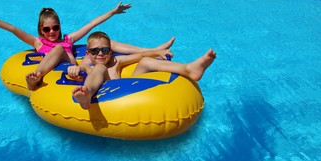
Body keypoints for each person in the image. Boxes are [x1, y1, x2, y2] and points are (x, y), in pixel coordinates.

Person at [0, 2, 175, 90]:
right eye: (47, 29)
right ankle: (36, 77)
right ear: (41, 30)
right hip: (56, 68)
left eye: (55, 28)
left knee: (106, 42)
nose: (52, 32)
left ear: (60, 27)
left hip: (74, 64)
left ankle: (155, 49)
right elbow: (14, 29)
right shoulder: (38, 42)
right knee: (58, 49)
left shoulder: (69, 39)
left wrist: (112, 13)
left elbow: (92, 24)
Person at [68, 31, 216, 109]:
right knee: (100, 67)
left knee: (145, 61)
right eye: (95, 51)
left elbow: (140, 55)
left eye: (105, 50)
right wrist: (74, 69)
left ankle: (189, 69)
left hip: (128, 87)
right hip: (107, 95)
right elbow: (78, 68)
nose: (100, 54)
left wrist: (157, 52)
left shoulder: (116, 61)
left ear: (111, 52)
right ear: (88, 54)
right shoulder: (89, 67)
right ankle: (87, 95)